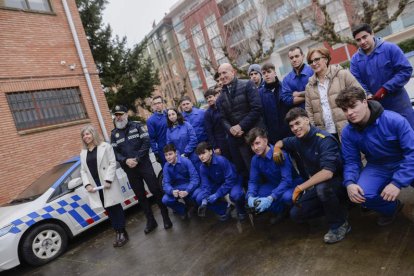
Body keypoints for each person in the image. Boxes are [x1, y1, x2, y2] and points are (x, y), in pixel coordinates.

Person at [335, 86, 414, 226]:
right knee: (361, 194)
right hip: (378, 166)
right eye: (345, 110)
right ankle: (392, 208)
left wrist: (397, 182)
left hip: (404, 161)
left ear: (365, 102)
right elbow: (351, 161)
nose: (350, 113)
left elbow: (412, 153)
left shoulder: (394, 120)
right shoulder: (348, 133)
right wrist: (350, 182)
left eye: (353, 106)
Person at [274, 107, 349, 244]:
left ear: (307, 120)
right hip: (320, 184)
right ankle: (337, 208)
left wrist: (300, 188)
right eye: (292, 126)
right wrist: (276, 149)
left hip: (340, 182)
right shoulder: (297, 140)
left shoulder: (324, 139)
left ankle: (339, 224)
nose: (295, 128)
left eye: (298, 123)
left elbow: (327, 173)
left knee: (322, 189)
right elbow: (282, 142)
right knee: (296, 214)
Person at [110, 105, 172, 234]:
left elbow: (146, 142)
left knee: (155, 190)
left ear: (126, 114)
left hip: (144, 165)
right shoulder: (114, 134)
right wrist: (126, 160)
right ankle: (151, 221)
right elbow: (115, 152)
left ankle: (166, 217)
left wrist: (137, 159)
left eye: (121, 114)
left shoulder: (137, 126)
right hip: (129, 169)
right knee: (140, 196)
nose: (119, 117)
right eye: (116, 115)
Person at [350, 23, 414, 129]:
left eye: (365, 37)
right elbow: (356, 81)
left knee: (410, 135)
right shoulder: (355, 61)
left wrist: (386, 88)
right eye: (358, 40)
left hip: (399, 104)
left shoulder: (390, 48)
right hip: (375, 110)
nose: (362, 42)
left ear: (372, 34)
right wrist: (367, 93)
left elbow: (405, 70)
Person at [80, 125, 128, 247]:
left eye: (88, 134)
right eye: (84, 135)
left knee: (116, 208)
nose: (86, 137)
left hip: (107, 183)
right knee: (108, 210)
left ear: (93, 134)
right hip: (96, 186)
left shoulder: (105, 146)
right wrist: (87, 184)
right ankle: (117, 231)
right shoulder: (83, 153)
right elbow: (83, 171)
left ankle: (122, 232)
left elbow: (112, 163)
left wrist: (108, 180)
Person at [245, 127, 302, 223]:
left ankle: (297, 211)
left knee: (287, 197)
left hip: (291, 184)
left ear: (265, 140)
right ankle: (282, 211)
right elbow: (253, 181)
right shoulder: (255, 159)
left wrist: (271, 197)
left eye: (257, 143)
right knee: (253, 195)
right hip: (274, 184)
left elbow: (287, 180)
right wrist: (250, 196)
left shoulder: (279, 154)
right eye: (252, 145)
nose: (255, 148)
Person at [216, 63, 263, 178]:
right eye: (220, 74)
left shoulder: (248, 85)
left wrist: (240, 126)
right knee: (252, 172)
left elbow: (257, 109)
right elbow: (222, 118)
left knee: (265, 167)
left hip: (256, 136)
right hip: (239, 140)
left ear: (233, 72)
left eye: (224, 72)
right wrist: (231, 129)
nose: (222, 76)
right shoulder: (220, 98)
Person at [305, 47, 363, 139]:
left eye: (316, 59)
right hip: (325, 134)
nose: (314, 63)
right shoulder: (309, 86)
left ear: (326, 59)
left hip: (349, 128)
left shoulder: (343, 75)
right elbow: (309, 111)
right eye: (310, 62)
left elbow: (360, 94)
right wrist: (315, 131)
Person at [195, 142, 246, 221]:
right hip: (219, 183)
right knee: (200, 198)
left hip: (233, 181)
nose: (201, 156)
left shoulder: (221, 160)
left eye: (203, 153)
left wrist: (217, 194)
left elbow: (230, 180)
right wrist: (204, 201)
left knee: (236, 195)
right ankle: (224, 209)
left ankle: (242, 210)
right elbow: (205, 185)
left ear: (211, 152)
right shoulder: (202, 167)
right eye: (199, 154)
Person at [162, 143, 200, 220]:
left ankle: (195, 206)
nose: (168, 157)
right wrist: (171, 191)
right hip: (176, 189)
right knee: (165, 200)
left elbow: (195, 178)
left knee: (198, 195)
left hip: (188, 186)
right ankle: (183, 210)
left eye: (170, 154)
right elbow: (166, 183)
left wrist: (187, 191)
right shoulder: (166, 166)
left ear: (175, 153)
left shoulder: (185, 161)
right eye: (166, 155)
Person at [259, 62, 291, 144]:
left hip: (289, 131)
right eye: (264, 73)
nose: (266, 75)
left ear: (275, 73)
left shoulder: (284, 87)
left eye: (269, 72)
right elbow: (261, 116)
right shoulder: (260, 93)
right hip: (272, 135)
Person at [166, 107, 201, 172]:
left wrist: (186, 153)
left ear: (177, 114)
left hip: (192, 155)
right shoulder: (169, 130)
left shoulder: (186, 124)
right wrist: (178, 155)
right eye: (169, 115)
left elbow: (193, 139)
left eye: (173, 114)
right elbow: (170, 145)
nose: (171, 116)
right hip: (180, 159)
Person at [204, 88, 231, 160]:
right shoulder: (207, 114)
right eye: (207, 98)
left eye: (210, 97)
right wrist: (215, 147)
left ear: (216, 96)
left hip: (231, 137)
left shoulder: (223, 106)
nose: (209, 100)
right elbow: (209, 132)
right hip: (221, 143)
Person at [147, 95, 168, 166]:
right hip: (163, 150)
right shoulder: (151, 120)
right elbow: (152, 139)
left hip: (175, 146)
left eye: (159, 103)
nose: (157, 105)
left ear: (163, 103)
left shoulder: (169, 114)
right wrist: (156, 153)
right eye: (155, 104)